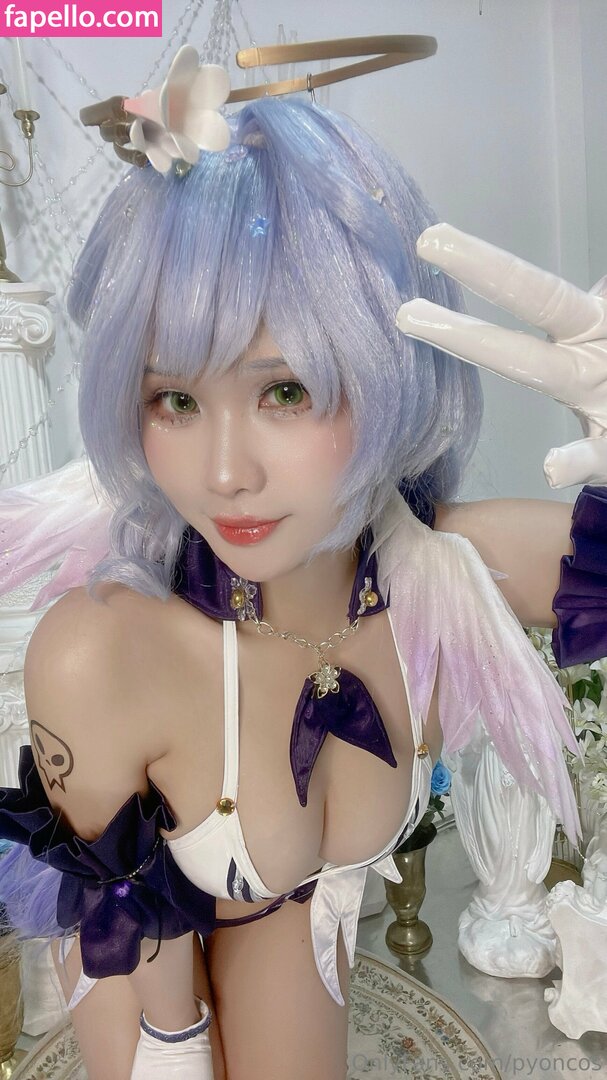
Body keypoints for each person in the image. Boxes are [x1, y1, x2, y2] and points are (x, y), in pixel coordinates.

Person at [0, 55, 587, 1080]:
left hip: (295, 923)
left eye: (286, 392)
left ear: (386, 372)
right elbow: (118, 917)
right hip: (142, 977)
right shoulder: (105, 652)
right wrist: (174, 1044)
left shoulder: (440, 572)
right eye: (175, 400)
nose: (225, 472)